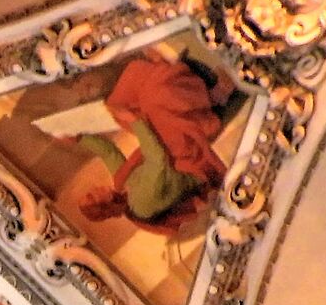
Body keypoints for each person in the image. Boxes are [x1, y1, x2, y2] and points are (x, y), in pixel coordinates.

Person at [74, 51, 236, 233]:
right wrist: (134, 120)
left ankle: (165, 71)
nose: (93, 189)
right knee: (156, 103)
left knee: (117, 104)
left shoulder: (122, 186)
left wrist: (78, 138)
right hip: (184, 162)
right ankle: (213, 97)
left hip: (166, 150)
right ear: (102, 205)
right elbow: (158, 160)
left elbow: (109, 153)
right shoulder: (141, 204)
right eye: (91, 196)